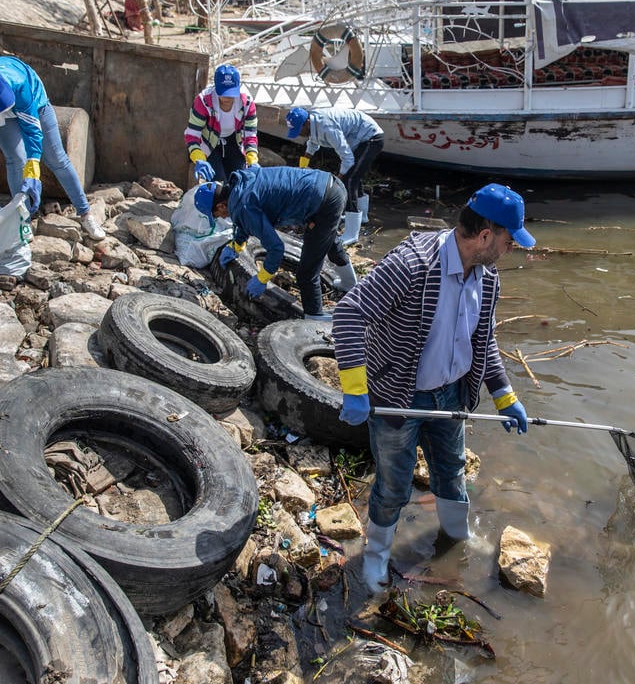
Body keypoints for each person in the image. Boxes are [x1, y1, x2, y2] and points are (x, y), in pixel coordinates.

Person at [331, 183, 535, 593]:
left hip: (452, 396)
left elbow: (484, 342)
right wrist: (356, 389)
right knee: (393, 486)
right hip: (398, 398)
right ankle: (375, 557)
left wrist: (505, 396)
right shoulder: (413, 265)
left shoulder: (487, 276)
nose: (513, 249)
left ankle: (456, 540)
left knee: (452, 472)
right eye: (510, 240)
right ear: (485, 236)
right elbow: (349, 314)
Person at [0, 57, 105, 240]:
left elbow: (32, 131)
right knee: (16, 158)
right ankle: (22, 221)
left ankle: (85, 214)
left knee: (56, 157)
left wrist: (33, 171)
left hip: (30, 100)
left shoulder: (19, 82)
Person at [192, 167, 357, 320]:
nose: (220, 217)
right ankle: (350, 284)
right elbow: (247, 220)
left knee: (306, 274)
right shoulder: (240, 185)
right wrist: (236, 245)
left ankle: (315, 319)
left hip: (324, 203)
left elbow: (276, 248)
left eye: (217, 214)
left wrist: (262, 278)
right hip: (330, 184)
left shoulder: (241, 206)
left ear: (221, 204)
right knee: (328, 241)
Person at [285, 106, 384, 246]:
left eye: (299, 130)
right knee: (354, 175)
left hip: (371, 137)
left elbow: (347, 158)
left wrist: (337, 181)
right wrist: (302, 167)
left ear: (307, 122)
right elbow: (312, 143)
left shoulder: (327, 127)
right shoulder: (312, 124)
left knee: (349, 180)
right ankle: (363, 217)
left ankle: (351, 233)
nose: (299, 134)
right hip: (358, 139)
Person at [185, 64, 259, 184]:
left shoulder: (247, 103)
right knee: (219, 186)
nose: (227, 97)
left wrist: (252, 160)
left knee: (238, 182)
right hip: (209, 144)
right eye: (223, 92)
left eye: (231, 92)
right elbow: (192, 135)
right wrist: (198, 157)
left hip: (234, 142)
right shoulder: (203, 101)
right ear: (216, 86)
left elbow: (250, 135)